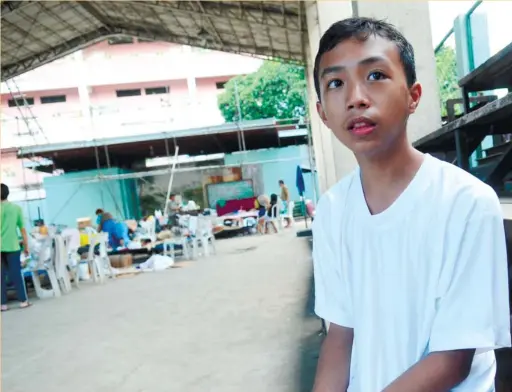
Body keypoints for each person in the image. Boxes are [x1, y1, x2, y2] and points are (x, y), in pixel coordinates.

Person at [311, 17, 510, 392]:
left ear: (413, 96)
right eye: (335, 83)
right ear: (323, 112)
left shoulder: (466, 204)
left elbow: (453, 360)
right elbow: (341, 334)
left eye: (375, 76)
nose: (356, 97)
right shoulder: (333, 211)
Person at [1, 183, 31, 311]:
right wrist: (26, 245)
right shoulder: (16, 208)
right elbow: (22, 230)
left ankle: (3, 304)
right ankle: (23, 301)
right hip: (13, 246)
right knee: (16, 274)